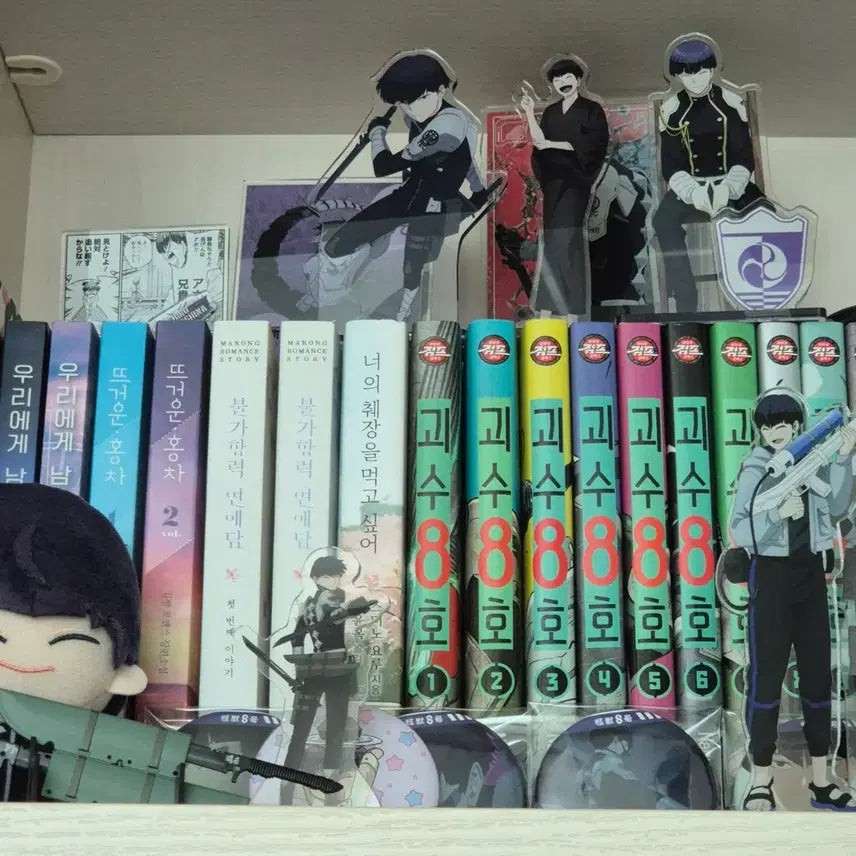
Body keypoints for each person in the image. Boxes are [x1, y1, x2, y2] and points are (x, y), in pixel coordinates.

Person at [729, 392, 856, 811]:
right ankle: (760, 779)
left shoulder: (812, 460)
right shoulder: (755, 469)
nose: (775, 432)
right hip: (770, 579)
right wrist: (775, 515)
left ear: (798, 425)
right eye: (767, 426)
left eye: (782, 424)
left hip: (811, 577)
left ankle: (821, 779)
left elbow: (837, 506)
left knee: (818, 679)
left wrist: (843, 458)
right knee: (765, 680)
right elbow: (740, 530)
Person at [318, 52, 489, 323]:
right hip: (411, 193)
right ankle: (335, 293)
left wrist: (377, 134)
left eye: (419, 99)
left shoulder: (446, 127)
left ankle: (402, 313)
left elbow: (384, 166)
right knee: (339, 243)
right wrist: (479, 190)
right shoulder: (417, 116)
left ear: (441, 90)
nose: (411, 109)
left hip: (431, 206)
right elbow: (466, 161)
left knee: (413, 267)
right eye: (403, 103)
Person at [653, 37, 768, 311]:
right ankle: (686, 300)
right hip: (690, 187)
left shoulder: (731, 102)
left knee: (765, 212)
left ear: (713, 70)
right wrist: (691, 191)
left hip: (732, 184)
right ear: (678, 76)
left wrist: (729, 187)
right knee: (662, 220)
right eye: (687, 74)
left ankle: (753, 291)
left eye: (702, 72)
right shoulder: (671, 110)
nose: (695, 79)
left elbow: (743, 155)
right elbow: (671, 163)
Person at [519, 57, 609, 315]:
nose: (563, 82)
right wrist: (529, 112)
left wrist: (554, 146)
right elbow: (539, 143)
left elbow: (593, 145)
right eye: (557, 79)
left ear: (579, 80)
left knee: (565, 240)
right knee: (554, 242)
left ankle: (568, 309)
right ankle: (554, 308)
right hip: (553, 184)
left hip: (576, 182)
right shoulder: (550, 112)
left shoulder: (592, 109)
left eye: (568, 77)